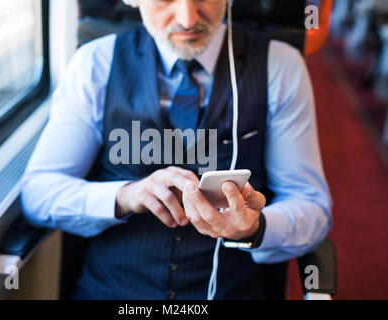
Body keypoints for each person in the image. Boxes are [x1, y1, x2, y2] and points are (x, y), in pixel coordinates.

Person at [20, 0, 332, 299]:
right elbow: (39, 192)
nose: (187, 19)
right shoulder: (94, 65)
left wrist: (255, 227)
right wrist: (126, 196)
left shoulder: (281, 67)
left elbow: (312, 207)